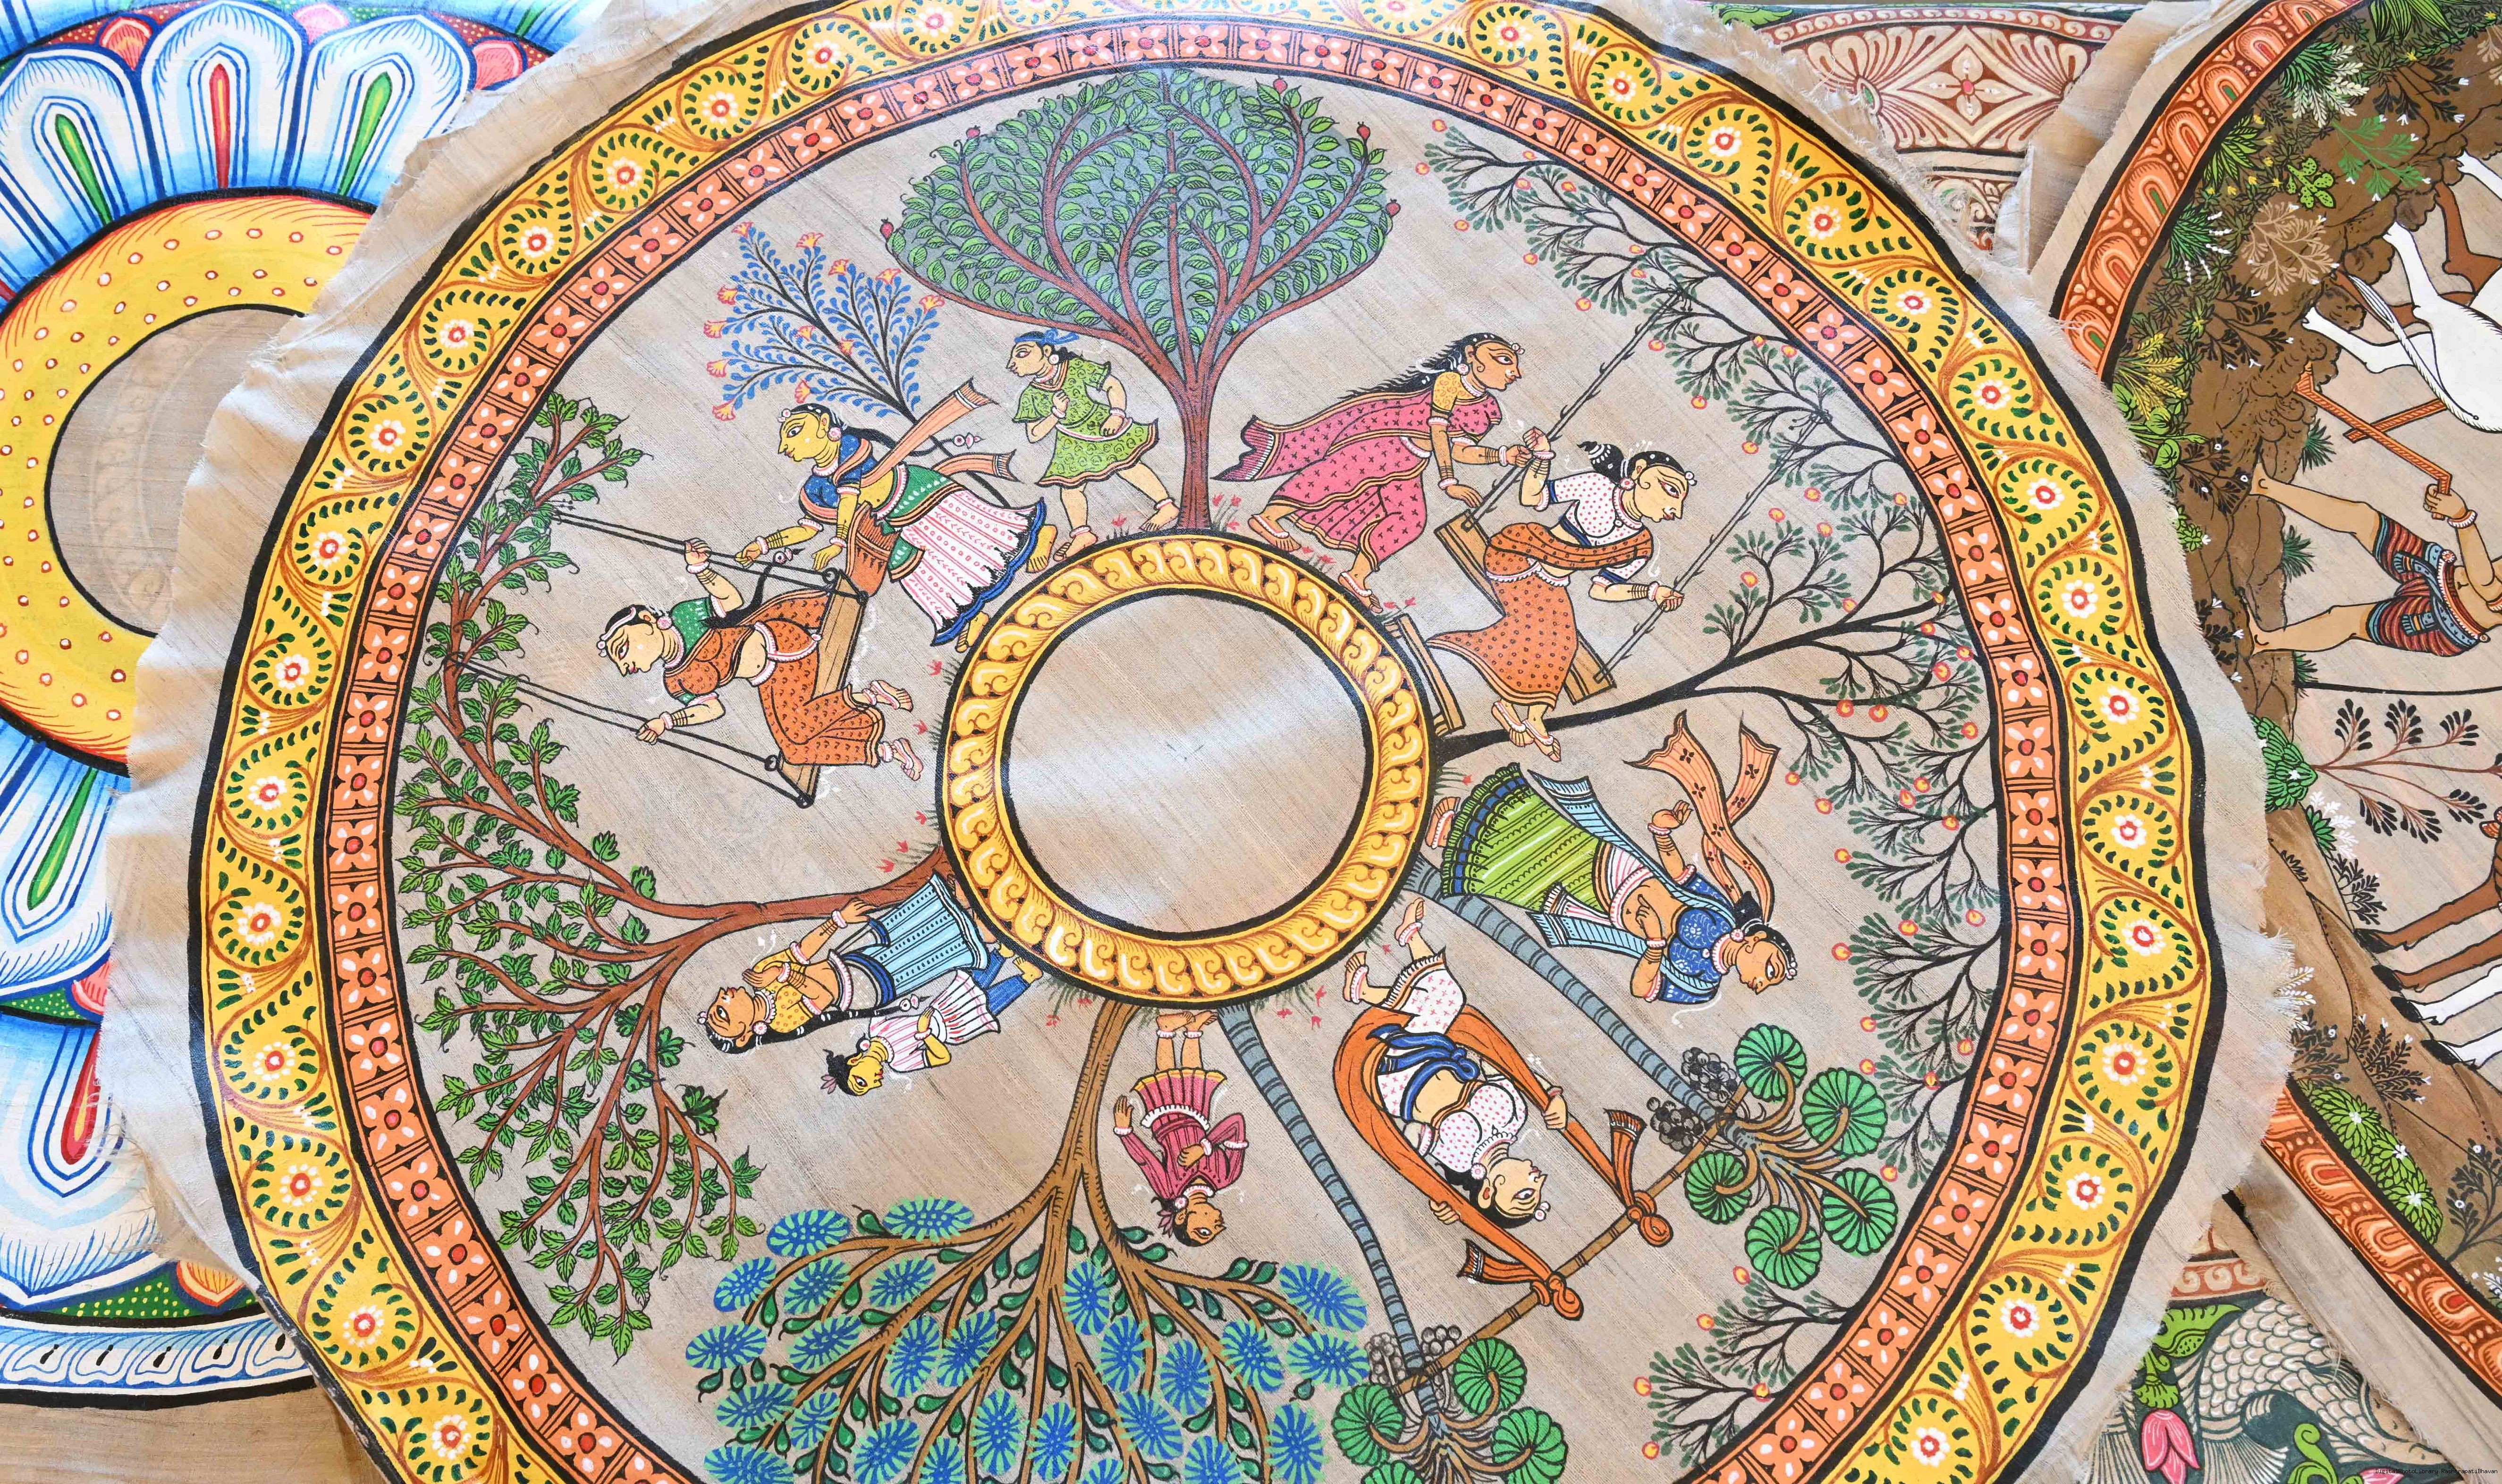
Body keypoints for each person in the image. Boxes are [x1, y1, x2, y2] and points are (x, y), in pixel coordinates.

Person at [1430, 760, 1792, 1003]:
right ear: (1757, 940)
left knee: (1532, 883)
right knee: (1554, 837)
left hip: (1606, 912)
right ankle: (1462, 818)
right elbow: (1680, 875)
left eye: (1766, 982)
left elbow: (1641, 989)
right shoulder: (1724, 915)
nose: (1760, 985)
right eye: (1770, 969)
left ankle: (1451, 843)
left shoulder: (1702, 986)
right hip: (1624, 870)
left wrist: (1655, 945)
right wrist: (1662, 832)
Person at [1429, 434, 1691, 759]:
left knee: (1564, 642)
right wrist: (1541, 458)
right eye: (1671, 491)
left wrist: (1651, 592)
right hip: (1519, 556)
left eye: (1680, 501)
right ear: (1639, 474)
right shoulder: (1597, 487)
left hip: (1553, 583)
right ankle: (1509, 704)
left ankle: (1530, 715)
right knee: (1541, 629)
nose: (1676, 510)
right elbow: (1532, 496)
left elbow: (1602, 589)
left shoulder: (1640, 545)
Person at [1222, 333, 1530, 609]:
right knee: (1337, 477)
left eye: (1514, 365)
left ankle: (1356, 577)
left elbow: (1459, 450)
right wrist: (1449, 482)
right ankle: (1268, 518)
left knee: (1410, 520)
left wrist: (1502, 455)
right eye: (1504, 361)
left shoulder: (1489, 410)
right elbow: (1438, 431)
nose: (1515, 373)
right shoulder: (1450, 383)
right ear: (1473, 358)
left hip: (1413, 461)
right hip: (1386, 438)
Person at [601, 539, 918, 806]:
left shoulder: (684, 616)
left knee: (799, 727)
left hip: (779, 642)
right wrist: (668, 722)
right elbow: (713, 709)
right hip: (768, 678)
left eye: (623, 649)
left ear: (647, 621)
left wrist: (702, 570)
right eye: (622, 665)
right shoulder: (674, 682)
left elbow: (731, 600)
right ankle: (889, 751)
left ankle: (869, 696)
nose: (627, 667)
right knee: (794, 751)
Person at [734, 397, 1042, 649]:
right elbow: (807, 529)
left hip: (914, 494)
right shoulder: (814, 488)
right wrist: (763, 545)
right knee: (931, 575)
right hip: (887, 528)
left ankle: (1037, 539)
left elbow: (850, 498)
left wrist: (839, 543)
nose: (785, 446)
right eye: (784, 439)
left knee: (970, 539)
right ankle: (972, 617)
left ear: (824, 425)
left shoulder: (850, 448)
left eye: (794, 432)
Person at [1342, 899, 1564, 1227]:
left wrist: (1440, 1196)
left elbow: (1409, 1138)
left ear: (1488, 1193)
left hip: (1399, 1082)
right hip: (1435, 1054)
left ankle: (1378, 978)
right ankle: (1400, 952)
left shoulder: (1457, 1160)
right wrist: (1550, 1096)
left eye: (1526, 1194)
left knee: (1445, 999)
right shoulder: (1516, 1116)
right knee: (1444, 999)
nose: (1539, 1178)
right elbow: (1506, 1068)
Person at [702, 877, 994, 1053]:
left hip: (846, 959)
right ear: (744, 1033)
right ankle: (984, 931)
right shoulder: (782, 1022)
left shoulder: (761, 974)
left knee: (898, 927)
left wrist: (839, 920)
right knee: (918, 955)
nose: (723, 995)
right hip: (865, 987)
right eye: (722, 1012)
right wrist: (785, 975)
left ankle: (962, 899)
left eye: (717, 1001)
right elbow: (823, 996)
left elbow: (804, 950)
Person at [2248, 471, 2499, 656]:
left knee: (2347, 621)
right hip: (2439, 571)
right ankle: (2264, 485)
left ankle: (2265, 641)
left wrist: (2461, 518)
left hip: (2442, 622)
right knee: (2363, 518)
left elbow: (2488, 588)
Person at [1007, 330, 1176, 559]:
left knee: (1128, 465)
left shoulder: (1073, 368)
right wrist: (1056, 413)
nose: (1012, 364)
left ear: (1046, 351)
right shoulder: (1031, 395)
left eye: (1022, 354)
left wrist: (1117, 415)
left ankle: (1166, 506)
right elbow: (1034, 434)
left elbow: (1112, 385)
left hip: (1100, 424)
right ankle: (1082, 535)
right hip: (1071, 441)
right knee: (1070, 488)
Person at [1112, 1010, 1246, 1247]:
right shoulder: (1227, 1176)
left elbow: (1147, 1161)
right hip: (1197, 1116)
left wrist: (1125, 1132)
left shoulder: (1169, 1189)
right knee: (1195, 1075)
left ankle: (1165, 1030)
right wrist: (1204, 1147)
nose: (1216, 1226)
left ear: (1182, 1217)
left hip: (1166, 1121)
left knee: (1166, 1075)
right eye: (1215, 1231)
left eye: (1203, 1231)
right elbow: (1236, 1123)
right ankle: (1193, 1031)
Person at [823, 953, 1032, 1096]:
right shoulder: (901, 1064)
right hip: (953, 1028)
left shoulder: (876, 1027)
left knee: (970, 984)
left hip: (940, 1005)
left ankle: (1000, 955)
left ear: (854, 1061)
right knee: (987, 1005)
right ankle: (1027, 978)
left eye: (862, 1082)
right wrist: (925, 1034)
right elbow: (943, 1057)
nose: (877, 1083)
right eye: (871, 1087)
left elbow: (896, 1001)